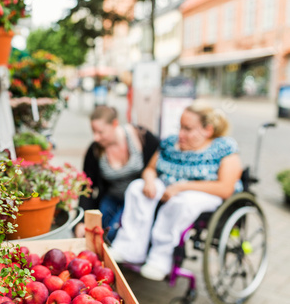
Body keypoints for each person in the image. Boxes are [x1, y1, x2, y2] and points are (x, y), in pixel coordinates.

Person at [108, 100, 243, 282]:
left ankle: (161, 259)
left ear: (208, 130)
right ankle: (129, 248)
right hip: (168, 186)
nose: (181, 134)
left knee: (181, 202)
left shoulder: (223, 149)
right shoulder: (170, 144)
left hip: (205, 192)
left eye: (188, 129)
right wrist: (149, 181)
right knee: (137, 188)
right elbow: (150, 169)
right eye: (180, 127)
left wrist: (181, 187)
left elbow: (225, 188)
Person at [75, 105, 159, 240]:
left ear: (115, 124)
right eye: (93, 132)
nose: (96, 137)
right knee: (97, 235)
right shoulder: (95, 150)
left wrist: (151, 180)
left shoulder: (142, 137)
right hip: (112, 198)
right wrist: (81, 221)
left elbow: (159, 160)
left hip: (137, 200)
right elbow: (86, 186)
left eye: (100, 132)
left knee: (115, 235)